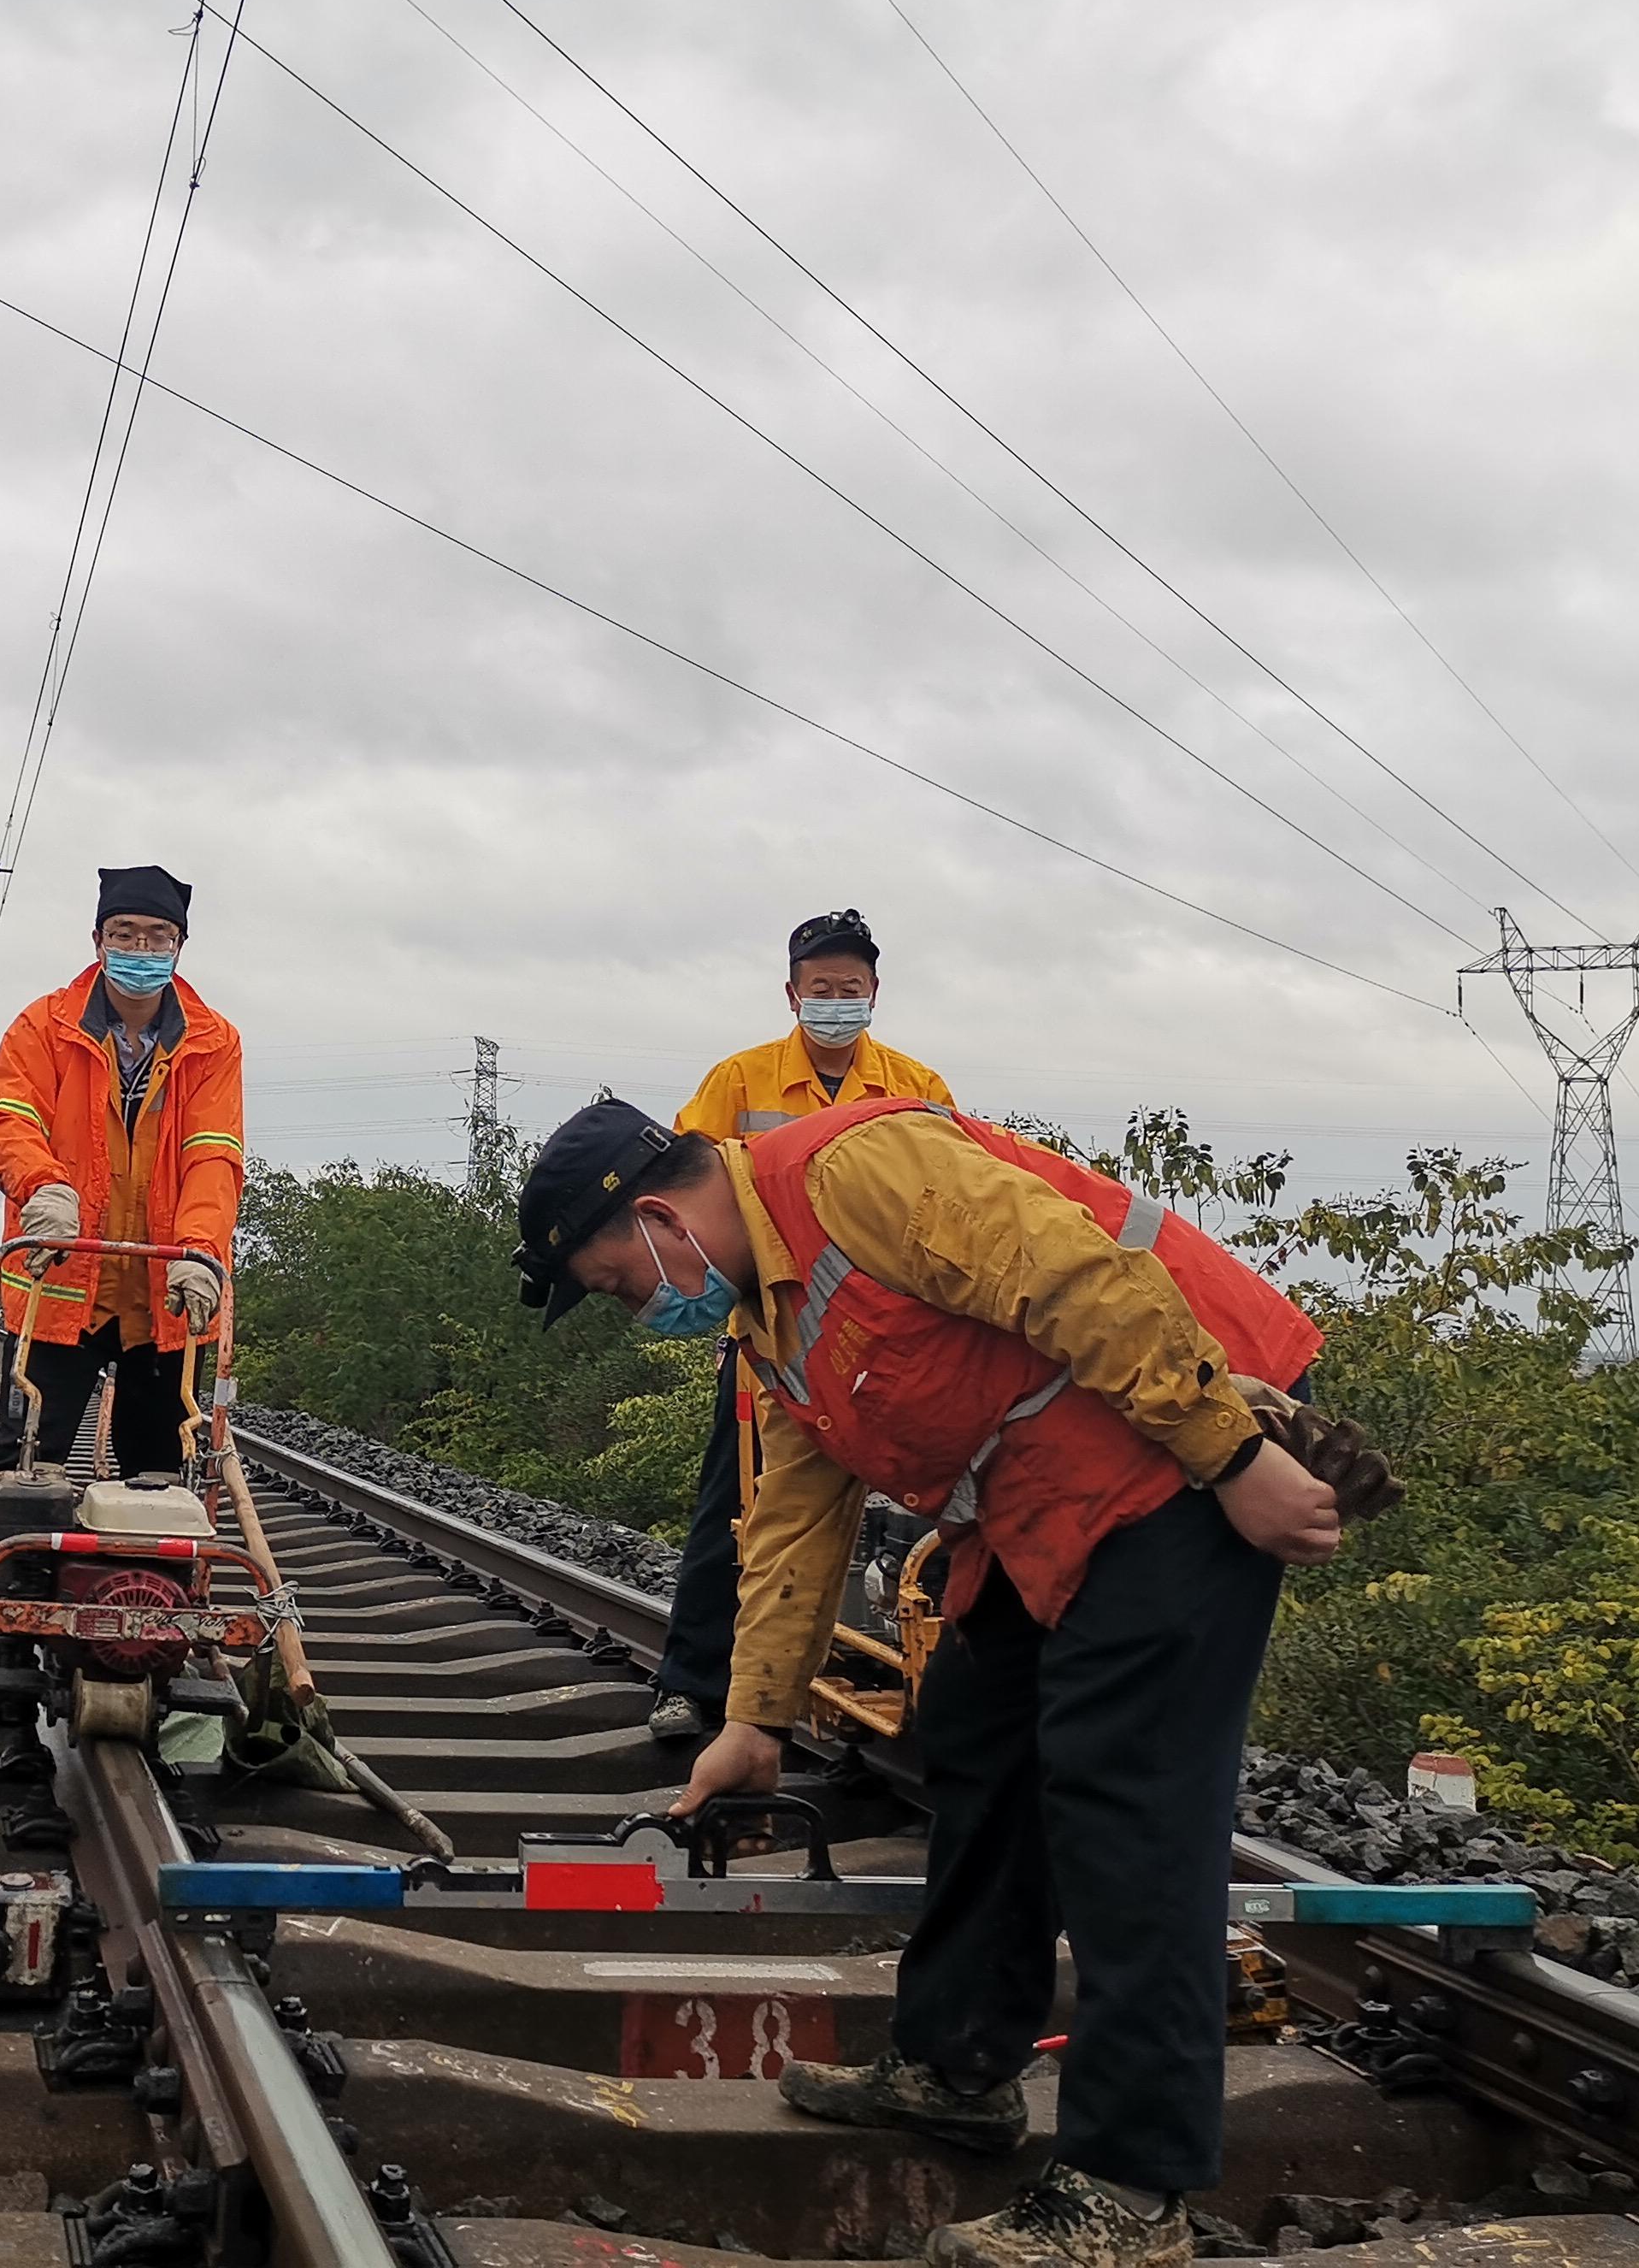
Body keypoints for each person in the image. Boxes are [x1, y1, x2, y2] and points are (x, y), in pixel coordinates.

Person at [513, 1096, 1335, 2268]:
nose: (636, 1307)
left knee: (1126, 1812)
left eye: (616, 1284)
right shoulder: (767, 1312)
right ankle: (954, 2065)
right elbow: (796, 1518)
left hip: (1177, 1456)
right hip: (1048, 1496)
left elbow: (1078, 1282)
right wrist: (755, 1722)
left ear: (657, 1218)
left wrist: (1239, 1460)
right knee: (977, 1742)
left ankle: (1133, 2192)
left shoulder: (858, 1173)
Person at [655, 909, 954, 1745]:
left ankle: (894, 1671)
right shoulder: (739, 1083)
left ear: (874, 994)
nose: (835, 1003)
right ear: (792, 994)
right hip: (772, 1339)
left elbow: (954, 1201)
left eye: (849, 991)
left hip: (888, 1341)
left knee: (917, 1510)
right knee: (738, 1505)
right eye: (820, 990)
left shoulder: (915, 1087)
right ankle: (692, 1684)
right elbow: (683, 1201)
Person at [0, 866, 245, 1476]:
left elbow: (214, 1157)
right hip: (61, 1283)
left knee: (160, 1469)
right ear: (97, 942)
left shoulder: (213, 1042)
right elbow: (7, 1121)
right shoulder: (44, 1027)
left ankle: (140, 1574)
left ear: (180, 945)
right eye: (125, 934)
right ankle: (16, 1568)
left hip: (163, 1295)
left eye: (157, 935)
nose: (141, 949)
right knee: (24, 1461)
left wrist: (199, 1253)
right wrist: (43, 1185)